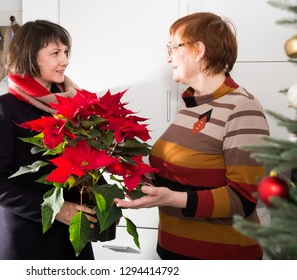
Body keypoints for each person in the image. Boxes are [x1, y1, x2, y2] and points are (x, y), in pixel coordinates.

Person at [114, 12, 269, 260]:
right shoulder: (192, 105)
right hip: (173, 250)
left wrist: (171, 198)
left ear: (198, 50)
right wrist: (143, 184)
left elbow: (244, 198)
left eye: (174, 47)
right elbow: (179, 176)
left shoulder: (242, 108)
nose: (168, 57)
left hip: (220, 256)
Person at [0, 20, 97, 260]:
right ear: (30, 56)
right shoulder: (2, 108)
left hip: (73, 233)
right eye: (55, 53)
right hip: (28, 238)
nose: (64, 60)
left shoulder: (75, 105)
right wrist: (56, 210)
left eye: (65, 52)